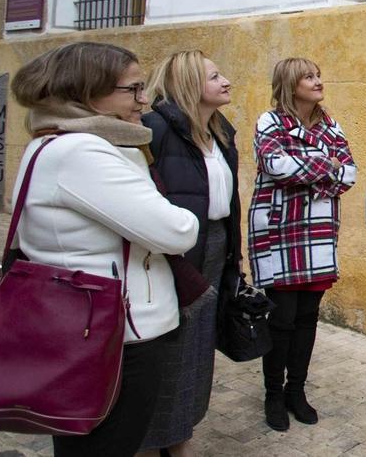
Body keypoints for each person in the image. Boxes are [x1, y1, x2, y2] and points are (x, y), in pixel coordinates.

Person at [8, 42, 200, 456]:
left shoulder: (54, 142)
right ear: (87, 90)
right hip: (116, 333)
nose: (144, 99)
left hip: (86, 324)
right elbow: (177, 230)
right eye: (132, 89)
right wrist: (178, 214)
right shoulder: (82, 151)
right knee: (108, 444)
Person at [137, 51, 241, 457]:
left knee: (197, 352)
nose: (227, 81)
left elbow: (226, 200)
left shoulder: (220, 132)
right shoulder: (157, 129)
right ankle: (150, 442)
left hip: (214, 246)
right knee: (167, 352)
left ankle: (180, 439)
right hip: (173, 256)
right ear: (188, 84)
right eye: (215, 76)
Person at [249, 57, 356, 431]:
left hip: (318, 232)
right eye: (308, 77)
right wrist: (325, 166)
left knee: (307, 317)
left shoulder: (331, 125)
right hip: (279, 231)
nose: (317, 81)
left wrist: (309, 169)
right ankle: (273, 394)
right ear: (289, 84)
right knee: (281, 318)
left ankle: (296, 390)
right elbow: (275, 166)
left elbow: (350, 173)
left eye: (318, 75)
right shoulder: (270, 122)